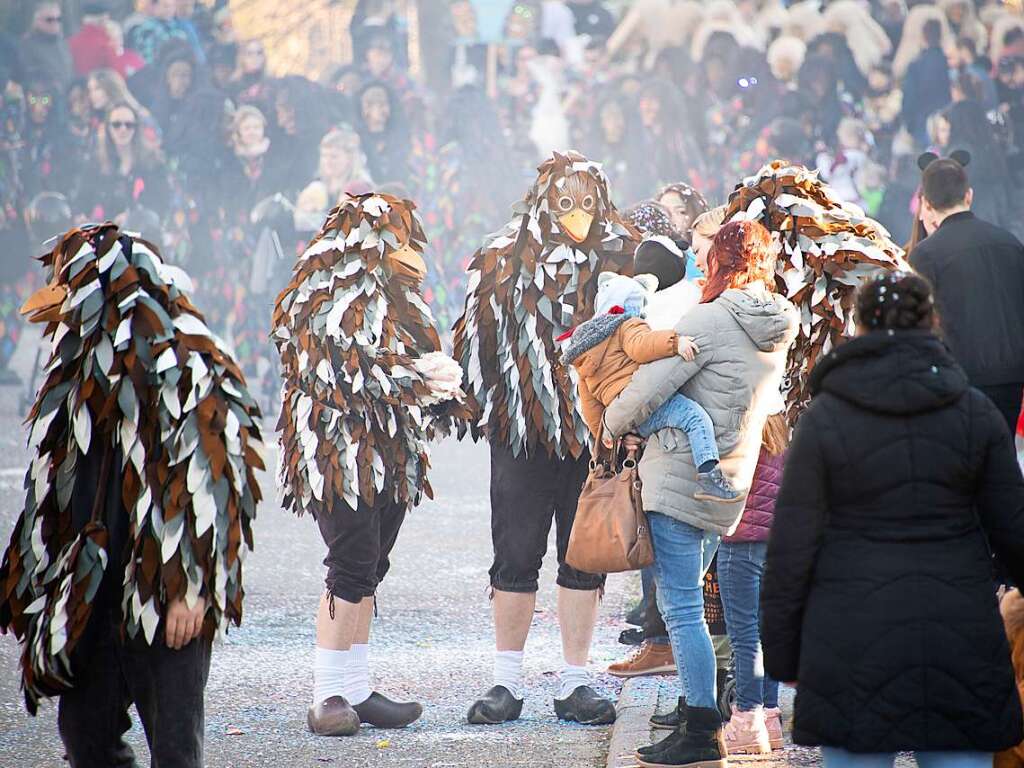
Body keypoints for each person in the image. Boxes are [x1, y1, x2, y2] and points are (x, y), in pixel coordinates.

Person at [0, 223, 265, 767]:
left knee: (174, 749)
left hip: (165, 589)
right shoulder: (74, 368)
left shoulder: (188, 361)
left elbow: (219, 480)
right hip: (95, 591)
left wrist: (190, 586)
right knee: (85, 737)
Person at [762, 271, 1024, 766]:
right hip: (958, 634)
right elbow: (1015, 530)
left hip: (849, 638)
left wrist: (783, 654)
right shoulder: (974, 412)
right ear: (934, 324)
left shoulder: (824, 419)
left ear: (856, 326)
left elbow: (791, 548)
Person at [453, 152, 639, 727]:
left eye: (588, 202)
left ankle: (576, 681)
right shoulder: (506, 258)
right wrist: (476, 399)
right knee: (514, 553)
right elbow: (478, 338)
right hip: (522, 433)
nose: (577, 215)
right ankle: (506, 681)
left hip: (594, 433)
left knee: (584, 554)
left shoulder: (622, 257)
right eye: (565, 202)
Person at [604, 220, 798, 768]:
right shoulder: (777, 323)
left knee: (682, 606)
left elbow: (651, 387)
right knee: (689, 602)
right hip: (729, 484)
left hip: (682, 475)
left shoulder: (711, 319)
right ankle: (700, 723)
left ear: (724, 261)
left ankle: (699, 730)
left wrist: (610, 422)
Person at [273, 192, 464, 736]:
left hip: (390, 451)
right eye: (394, 240)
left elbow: (399, 366)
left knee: (372, 563)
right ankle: (326, 694)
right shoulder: (317, 298)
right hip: (339, 454)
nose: (406, 252)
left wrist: (438, 383)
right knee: (351, 560)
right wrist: (413, 377)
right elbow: (338, 375)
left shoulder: (399, 298)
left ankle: (354, 686)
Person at [561, 272, 742, 501]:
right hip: (648, 403)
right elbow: (641, 345)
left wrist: (606, 435)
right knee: (695, 418)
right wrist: (675, 343)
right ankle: (708, 474)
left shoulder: (583, 349)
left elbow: (589, 404)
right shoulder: (625, 324)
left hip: (627, 419)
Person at [910, 155, 1024, 432]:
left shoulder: (925, 255)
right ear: (969, 195)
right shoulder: (1009, 243)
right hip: (1011, 378)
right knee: (1001, 456)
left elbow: (918, 326)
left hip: (957, 380)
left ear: (926, 203)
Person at [717, 414, 787, 754]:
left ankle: (746, 720)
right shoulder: (779, 427)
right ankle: (770, 719)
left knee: (745, 637)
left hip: (739, 541)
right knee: (767, 632)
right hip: (775, 542)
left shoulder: (737, 427)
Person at [77, 101, 171, 222]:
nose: (123, 129)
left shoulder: (153, 162)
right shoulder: (96, 162)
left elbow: (161, 204)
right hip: (103, 234)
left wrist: (133, 218)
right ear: (108, 128)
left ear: (136, 128)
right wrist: (81, 217)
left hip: (142, 235)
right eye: (116, 125)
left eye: (129, 125)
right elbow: (82, 200)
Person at [294, 126, 374, 233]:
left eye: (334, 156)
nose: (327, 161)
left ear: (349, 159)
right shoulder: (318, 186)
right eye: (324, 156)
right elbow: (299, 223)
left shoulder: (359, 187)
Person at [901, 19, 952, 147]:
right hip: (947, 119)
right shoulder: (948, 62)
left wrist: (908, 123)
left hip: (921, 121)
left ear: (923, 36)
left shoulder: (916, 64)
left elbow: (909, 97)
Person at [17, 0, 73, 92]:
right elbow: (27, 78)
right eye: (49, 20)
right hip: (43, 100)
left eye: (58, 19)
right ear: (37, 21)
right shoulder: (27, 46)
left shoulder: (62, 42)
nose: (55, 23)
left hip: (67, 99)